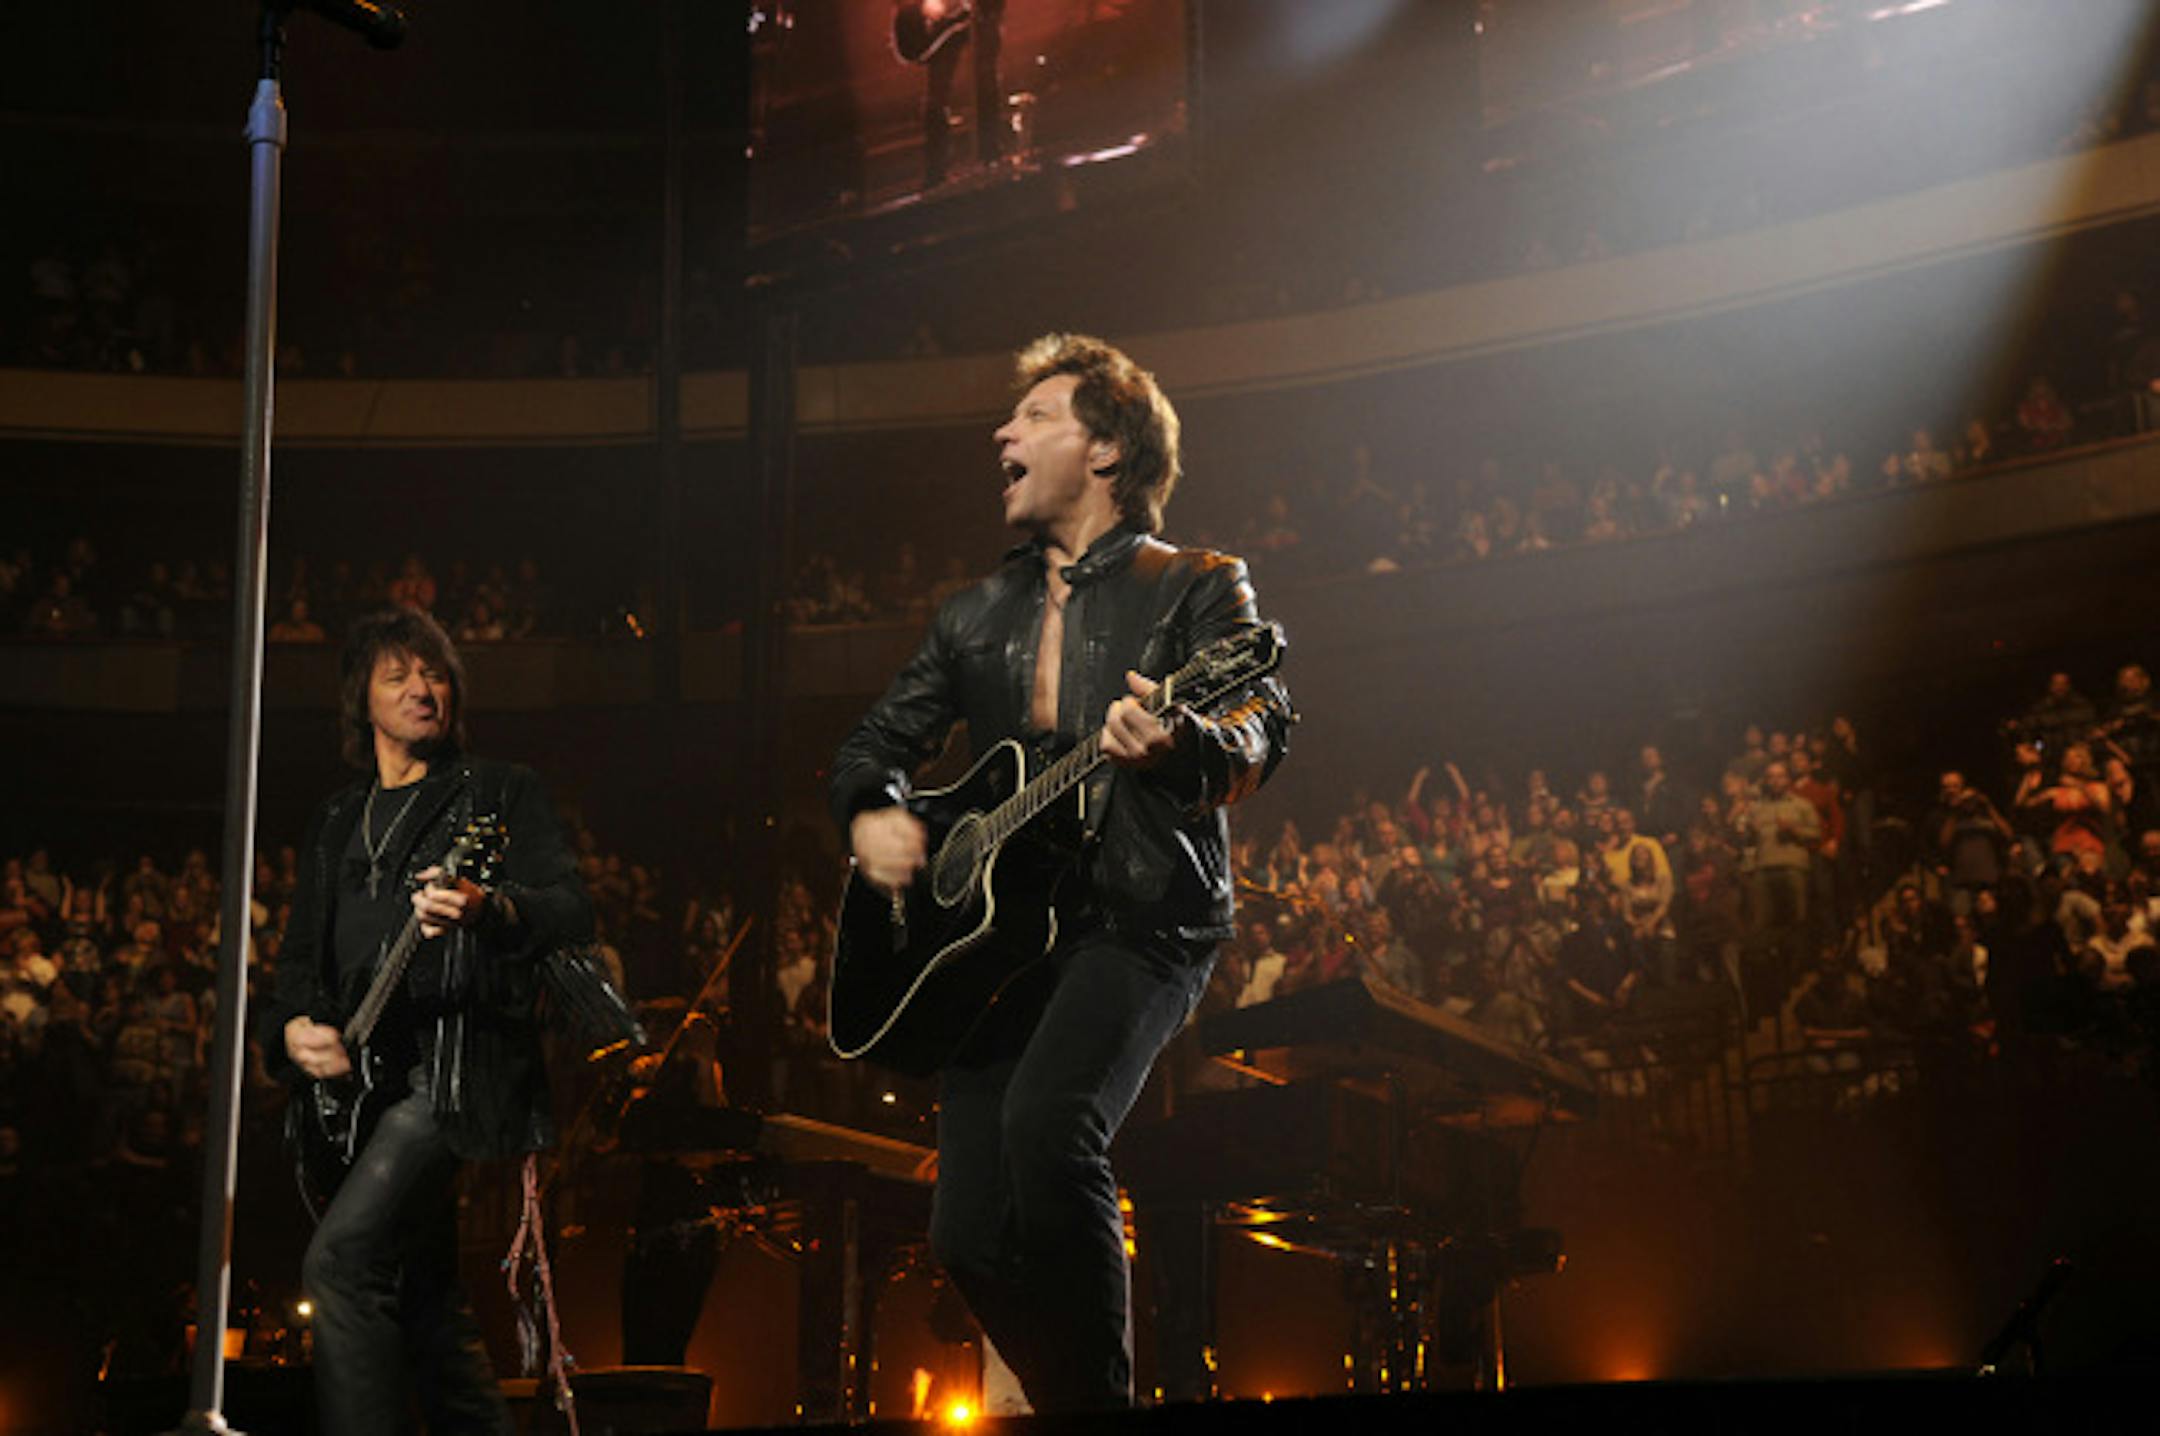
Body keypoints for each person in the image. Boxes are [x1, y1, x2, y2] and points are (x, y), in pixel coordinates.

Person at [828, 334, 1293, 1411]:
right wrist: (873, 817)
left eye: (1035, 416)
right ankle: (1084, 1393)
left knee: (1050, 1124)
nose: (1004, 431)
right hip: (1004, 950)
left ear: (1109, 450)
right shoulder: (971, 614)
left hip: (1141, 917)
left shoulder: (1197, 586)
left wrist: (1181, 743)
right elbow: (870, 749)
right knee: (963, 1229)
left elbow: (1261, 721)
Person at [257, 608, 593, 1436]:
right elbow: (299, 963)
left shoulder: (497, 791)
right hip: (358, 1093)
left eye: (435, 673)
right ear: (360, 700)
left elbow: (572, 910)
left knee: (340, 1265)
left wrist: (489, 904)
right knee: (429, 1306)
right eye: (398, 675)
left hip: (450, 1078)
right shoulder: (337, 822)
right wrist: (293, 1032)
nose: (421, 689)